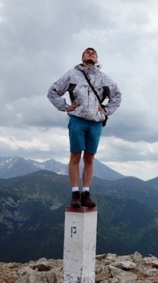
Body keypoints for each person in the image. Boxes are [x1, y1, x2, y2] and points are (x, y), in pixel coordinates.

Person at [47, 47, 121, 208]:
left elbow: (117, 96)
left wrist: (107, 110)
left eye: (93, 52)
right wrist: (65, 106)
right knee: (75, 156)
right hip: (77, 120)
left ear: (97, 59)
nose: (90, 53)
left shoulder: (104, 79)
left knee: (89, 158)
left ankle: (86, 193)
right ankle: (75, 193)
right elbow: (52, 92)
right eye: (87, 52)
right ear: (82, 58)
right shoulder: (72, 75)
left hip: (95, 122)